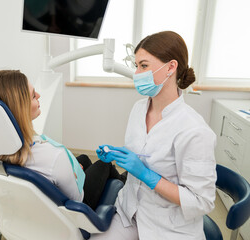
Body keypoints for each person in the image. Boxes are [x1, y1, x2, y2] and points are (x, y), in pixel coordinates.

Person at [92, 31, 217, 239]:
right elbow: (140, 155)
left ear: (171, 67)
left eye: (144, 65)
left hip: (169, 228)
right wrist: (119, 155)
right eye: (136, 66)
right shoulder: (138, 109)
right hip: (129, 212)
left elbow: (201, 201)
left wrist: (148, 176)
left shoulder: (194, 130)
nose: (136, 73)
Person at [0, 69, 124, 210]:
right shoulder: (53, 156)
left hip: (30, 209)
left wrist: (70, 171)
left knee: (84, 159)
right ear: (19, 108)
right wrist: (72, 176)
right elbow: (76, 198)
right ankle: (125, 185)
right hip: (76, 211)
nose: (39, 95)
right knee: (104, 164)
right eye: (33, 95)